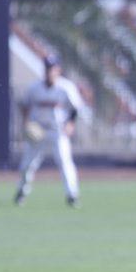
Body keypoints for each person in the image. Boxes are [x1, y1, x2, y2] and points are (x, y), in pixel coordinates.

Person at [14, 53, 84, 208]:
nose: (49, 71)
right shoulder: (34, 88)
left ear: (58, 70)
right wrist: (26, 123)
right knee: (27, 164)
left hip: (57, 131)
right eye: (47, 68)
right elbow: (24, 105)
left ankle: (72, 195)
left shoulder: (66, 87)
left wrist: (70, 123)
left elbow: (75, 108)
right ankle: (22, 191)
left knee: (65, 163)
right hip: (37, 130)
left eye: (52, 68)